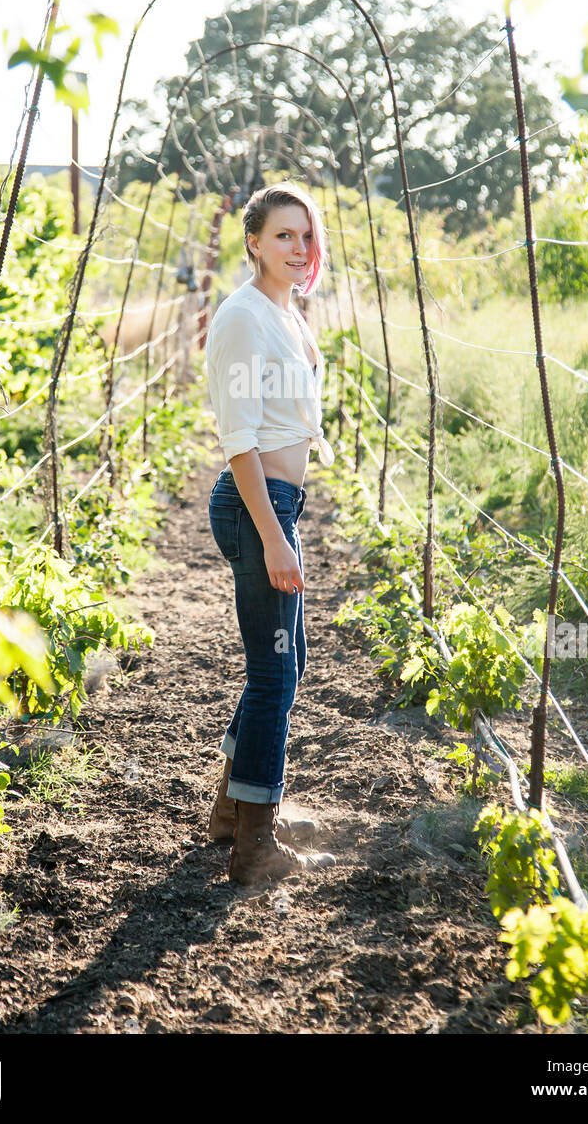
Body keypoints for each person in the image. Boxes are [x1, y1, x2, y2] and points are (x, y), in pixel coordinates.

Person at [204, 181, 337, 886]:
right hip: (257, 504)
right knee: (274, 671)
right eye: (283, 235)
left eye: (306, 235)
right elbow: (240, 440)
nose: (297, 247)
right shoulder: (244, 319)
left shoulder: (287, 313)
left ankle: (234, 805)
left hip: (280, 503)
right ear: (252, 241)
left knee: (285, 663)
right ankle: (254, 844)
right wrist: (275, 537)